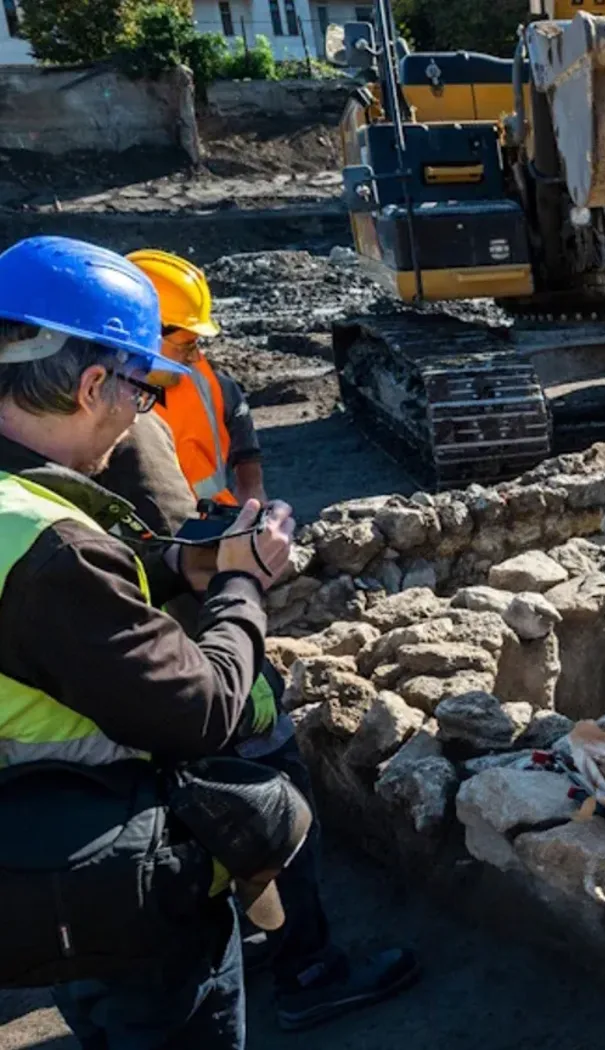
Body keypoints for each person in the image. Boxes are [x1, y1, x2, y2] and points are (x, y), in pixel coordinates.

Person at [89, 286, 423, 1034]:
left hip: (141, 680)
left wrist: (245, 508)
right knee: (271, 793)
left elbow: (239, 449)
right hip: (199, 656)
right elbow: (182, 563)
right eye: (173, 343)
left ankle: (266, 943)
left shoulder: (155, 397)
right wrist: (241, 572)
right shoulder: (121, 424)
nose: (181, 358)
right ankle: (308, 967)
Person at [0, 235, 296, 1049]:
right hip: (104, 867)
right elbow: (199, 712)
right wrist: (241, 581)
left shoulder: (19, 514)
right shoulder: (49, 549)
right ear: (92, 384)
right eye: (139, 392)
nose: (142, 413)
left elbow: (55, 608)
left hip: (38, 858)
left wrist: (179, 563)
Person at [125, 250, 265, 507]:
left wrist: (252, 492)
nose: (193, 358)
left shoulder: (204, 382)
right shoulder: (92, 406)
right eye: (186, 345)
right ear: (144, 334)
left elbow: (236, 417)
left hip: (213, 532)